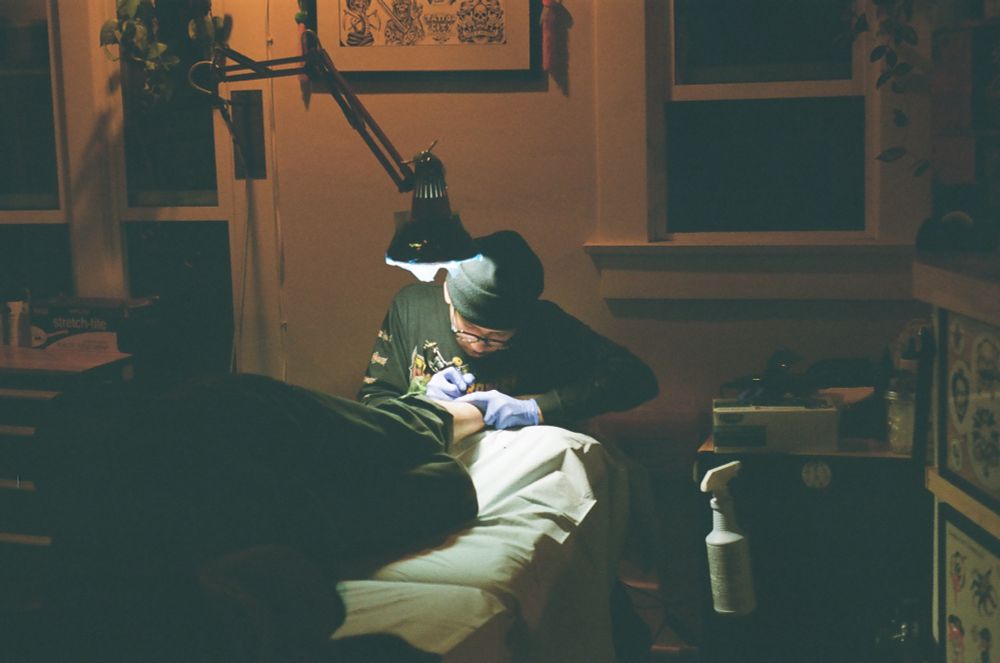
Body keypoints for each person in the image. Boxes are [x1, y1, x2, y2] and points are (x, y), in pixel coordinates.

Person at [32, 372, 487, 662]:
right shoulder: (280, 534)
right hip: (242, 452)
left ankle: (453, 412)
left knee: (411, 437)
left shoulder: (95, 577)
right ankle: (451, 414)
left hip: (231, 424)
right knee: (434, 472)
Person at [359, 230, 659, 427]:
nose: (478, 346)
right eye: (468, 330)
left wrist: (534, 408)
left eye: (497, 339)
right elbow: (374, 400)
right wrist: (420, 401)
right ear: (448, 295)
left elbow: (637, 378)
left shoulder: (546, 325)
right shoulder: (413, 307)